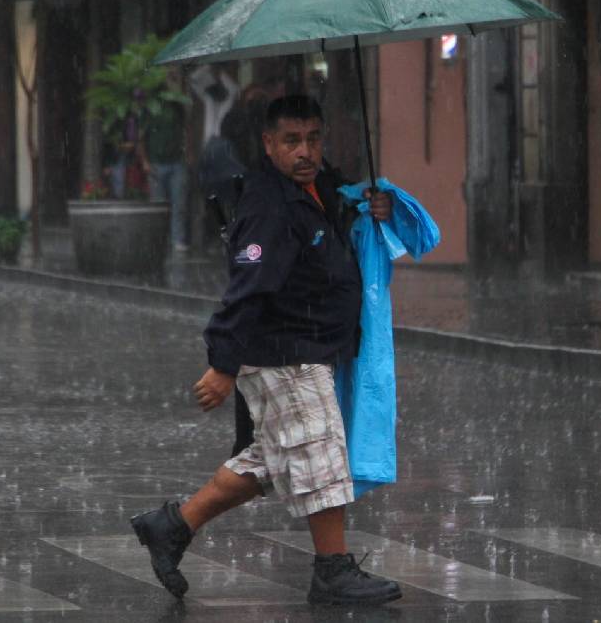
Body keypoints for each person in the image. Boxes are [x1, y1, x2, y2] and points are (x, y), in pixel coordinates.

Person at [130, 95, 402, 607]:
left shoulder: (319, 188)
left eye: (314, 139)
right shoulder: (268, 205)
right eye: (292, 141)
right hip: (283, 350)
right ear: (269, 144)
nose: (306, 151)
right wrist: (222, 363)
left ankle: (171, 527)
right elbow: (247, 288)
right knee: (321, 454)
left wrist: (370, 204)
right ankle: (332, 571)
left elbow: (341, 219)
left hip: (309, 346)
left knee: (274, 459)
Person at [142, 94, 190, 251]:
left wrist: (187, 154)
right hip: (156, 163)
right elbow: (141, 137)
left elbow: (185, 131)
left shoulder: (178, 108)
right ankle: (160, 240)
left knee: (178, 203)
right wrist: (145, 162)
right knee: (159, 205)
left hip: (177, 162)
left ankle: (177, 239)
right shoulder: (149, 109)